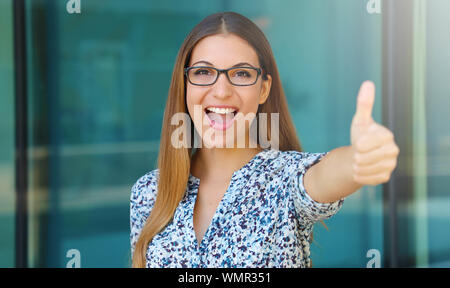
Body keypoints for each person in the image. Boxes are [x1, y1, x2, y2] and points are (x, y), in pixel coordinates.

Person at [130, 11, 399, 268]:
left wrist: (358, 159)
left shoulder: (284, 179)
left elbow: (325, 175)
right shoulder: (148, 192)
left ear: (263, 89)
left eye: (241, 73)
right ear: (185, 83)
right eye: (203, 72)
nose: (221, 91)